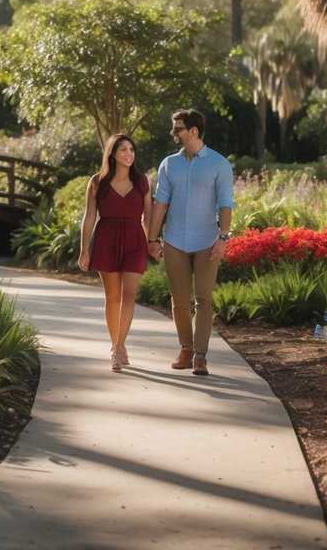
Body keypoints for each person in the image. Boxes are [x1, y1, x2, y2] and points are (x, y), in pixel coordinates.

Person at [146, 109, 234, 376]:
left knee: (203, 300)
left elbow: (225, 203)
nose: (173, 133)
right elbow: (160, 203)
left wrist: (223, 237)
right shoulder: (169, 164)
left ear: (193, 131)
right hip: (174, 240)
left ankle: (201, 356)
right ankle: (186, 348)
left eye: (178, 129)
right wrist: (152, 238)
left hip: (207, 241)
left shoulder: (219, 164)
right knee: (179, 301)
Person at [79, 133, 152, 372]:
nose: (129, 153)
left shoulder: (142, 182)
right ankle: (115, 347)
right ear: (112, 153)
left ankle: (120, 345)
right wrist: (84, 250)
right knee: (113, 297)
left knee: (129, 295)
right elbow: (89, 217)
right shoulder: (97, 182)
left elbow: (149, 217)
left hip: (134, 241)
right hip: (106, 239)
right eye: (123, 149)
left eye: (132, 149)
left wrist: (151, 241)